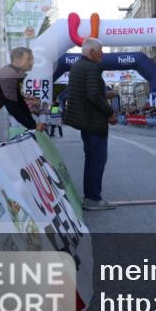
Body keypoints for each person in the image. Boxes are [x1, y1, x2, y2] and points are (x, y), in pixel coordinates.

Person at [63, 38, 118, 211]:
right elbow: (93, 95)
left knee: (91, 159)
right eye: (100, 50)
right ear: (91, 52)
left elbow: (88, 92)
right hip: (94, 121)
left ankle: (90, 197)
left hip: (84, 121)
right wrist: (110, 113)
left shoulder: (78, 66)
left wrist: (105, 94)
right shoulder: (93, 67)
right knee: (98, 160)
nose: (102, 53)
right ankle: (93, 199)